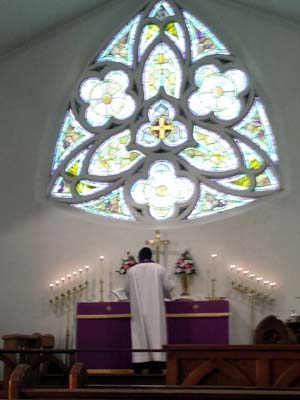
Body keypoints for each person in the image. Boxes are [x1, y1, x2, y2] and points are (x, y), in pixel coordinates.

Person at [124, 247, 174, 374]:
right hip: (156, 308)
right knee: (157, 333)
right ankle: (157, 365)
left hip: (138, 309)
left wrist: (134, 297)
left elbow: (127, 291)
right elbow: (169, 287)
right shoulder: (160, 269)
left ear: (139, 257)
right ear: (151, 256)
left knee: (139, 335)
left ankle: (139, 365)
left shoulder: (132, 271)